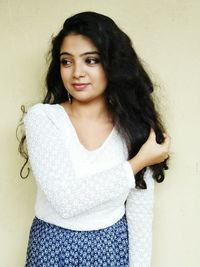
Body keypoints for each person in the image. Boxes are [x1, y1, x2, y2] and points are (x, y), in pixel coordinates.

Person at [18, 11, 170, 267]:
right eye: (67, 62)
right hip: (52, 247)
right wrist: (138, 162)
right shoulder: (43, 119)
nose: (77, 72)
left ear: (112, 64)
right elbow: (66, 201)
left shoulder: (134, 127)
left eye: (91, 60)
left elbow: (140, 214)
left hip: (113, 247)